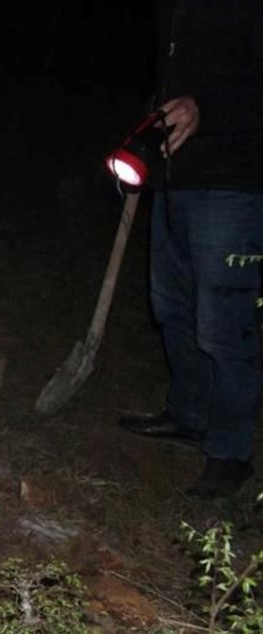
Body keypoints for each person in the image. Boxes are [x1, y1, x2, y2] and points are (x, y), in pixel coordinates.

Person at [116, 0, 263, 500]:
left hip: (236, 182)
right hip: (174, 176)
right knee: (171, 307)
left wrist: (207, 109)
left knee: (223, 326)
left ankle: (230, 452)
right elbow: (174, 81)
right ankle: (189, 416)